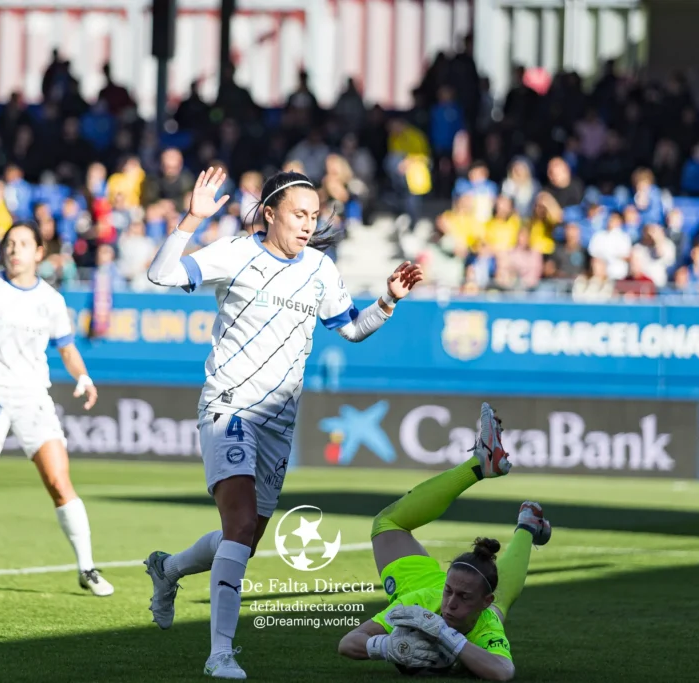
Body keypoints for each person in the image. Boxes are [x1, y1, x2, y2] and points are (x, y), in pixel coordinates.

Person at [145, 167, 424, 679]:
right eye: (299, 213)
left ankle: (168, 569)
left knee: (244, 537)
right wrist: (191, 220)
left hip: (279, 421)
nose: (308, 223)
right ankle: (220, 654)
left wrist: (387, 302)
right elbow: (162, 274)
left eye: (315, 216)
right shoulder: (235, 252)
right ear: (270, 212)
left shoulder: (320, 267)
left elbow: (351, 328)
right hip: (229, 405)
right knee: (241, 523)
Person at [0, 221, 113, 598]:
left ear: (38, 253)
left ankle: (87, 568)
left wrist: (83, 377)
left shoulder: (50, 300)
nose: (14, 250)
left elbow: (66, 348)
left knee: (60, 483)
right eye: (9, 244)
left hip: (34, 398)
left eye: (23, 244)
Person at [337, 403, 552, 680]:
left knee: (498, 609)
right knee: (385, 523)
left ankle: (526, 522)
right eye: (450, 592)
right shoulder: (418, 606)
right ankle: (505, 495)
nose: (450, 604)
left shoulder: (485, 625)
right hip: (418, 586)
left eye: (463, 598)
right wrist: (385, 646)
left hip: (461, 605)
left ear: (481, 603)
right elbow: (347, 643)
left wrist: (447, 637)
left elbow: (503, 672)